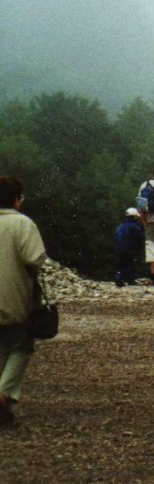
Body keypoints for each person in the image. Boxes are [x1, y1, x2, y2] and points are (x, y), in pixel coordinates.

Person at [0, 176, 47, 427]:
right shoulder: (22, 223)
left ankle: (3, 409)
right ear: (17, 200)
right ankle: (3, 395)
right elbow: (34, 259)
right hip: (13, 295)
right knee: (21, 346)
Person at [113, 207, 144, 287]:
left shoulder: (120, 226)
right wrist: (140, 248)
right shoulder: (134, 226)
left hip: (118, 249)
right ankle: (131, 280)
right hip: (129, 249)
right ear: (134, 217)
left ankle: (118, 280)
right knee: (130, 264)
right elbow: (139, 238)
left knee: (120, 264)